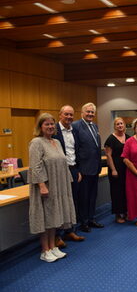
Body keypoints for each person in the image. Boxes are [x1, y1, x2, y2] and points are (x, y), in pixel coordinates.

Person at [29, 113, 76, 262]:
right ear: (40, 127)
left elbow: (63, 162)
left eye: (51, 124)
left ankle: (53, 246)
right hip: (46, 186)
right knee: (46, 218)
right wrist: (42, 185)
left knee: (55, 216)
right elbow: (35, 166)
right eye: (46, 124)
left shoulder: (56, 142)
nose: (50, 127)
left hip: (59, 186)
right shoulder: (37, 142)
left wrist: (68, 180)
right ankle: (45, 250)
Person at [53, 105, 85, 246]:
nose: (69, 117)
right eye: (66, 114)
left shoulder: (74, 130)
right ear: (60, 115)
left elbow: (76, 151)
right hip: (60, 171)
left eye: (71, 115)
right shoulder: (53, 130)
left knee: (72, 201)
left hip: (73, 169)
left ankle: (70, 230)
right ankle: (57, 235)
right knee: (60, 203)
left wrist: (78, 170)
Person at [72, 102, 104, 232]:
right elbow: (75, 148)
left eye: (92, 112)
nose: (90, 114)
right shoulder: (76, 126)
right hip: (84, 169)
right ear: (82, 113)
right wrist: (78, 169)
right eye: (88, 112)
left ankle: (91, 218)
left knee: (92, 195)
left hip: (95, 167)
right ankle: (83, 221)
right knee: (83, 197)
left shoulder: (95, 126)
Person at [104, 117, 130, 224]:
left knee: (126, 191)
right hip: (115, 169)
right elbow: (108, 156)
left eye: (121, 124)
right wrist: (113, 169)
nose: (120, 126)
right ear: (115, 126)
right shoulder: (110, 139)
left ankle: (126, 212)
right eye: (117, 124)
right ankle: (118, 214)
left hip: (126, 169)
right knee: (117, 192)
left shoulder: (128, 137)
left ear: (124, 125)